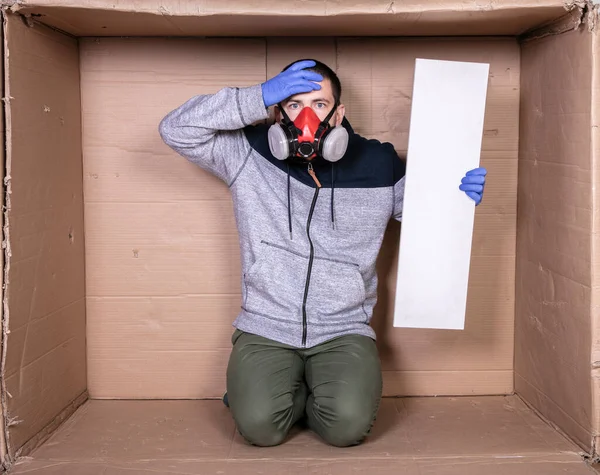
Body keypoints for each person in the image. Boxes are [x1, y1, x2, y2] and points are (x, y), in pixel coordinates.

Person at [158, 59, 487, 448]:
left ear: (339, 113)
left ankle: (296, 391)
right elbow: (175, 129)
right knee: (260, 428)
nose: (306, 116)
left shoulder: (378, 164)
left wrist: (456, 196)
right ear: (278, 113)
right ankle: (264, 394)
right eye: (293, 104)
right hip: (266, 326)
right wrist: (257, 96)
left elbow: (421, 216)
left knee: (346, 428)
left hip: (343, 329)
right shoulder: (248, 153)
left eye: (318, 104)